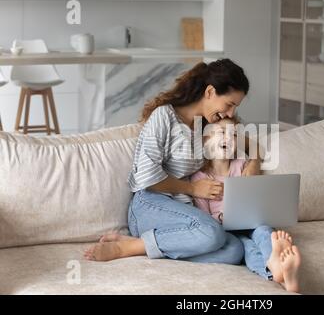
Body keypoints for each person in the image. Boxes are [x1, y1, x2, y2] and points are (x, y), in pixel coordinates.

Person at [84, 59, 254, 265]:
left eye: (235, 107)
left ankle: (157, 243)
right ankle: (128, 247)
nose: (230, 114)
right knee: (211, 232)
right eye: (229, 104)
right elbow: (147, 176)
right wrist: (192, 188)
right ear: (210, 92)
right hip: (151, 204)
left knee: (234, 250)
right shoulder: (164, 116)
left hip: (183, 213)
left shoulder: (208, 126)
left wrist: (254, 163)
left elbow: (251, 144)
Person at [190, 117, 301, 293]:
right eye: (222, 132)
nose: (228, 138)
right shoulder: (200, 178)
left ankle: (277, 264)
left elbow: (258, 195)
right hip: (225, 230)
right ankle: (281, 279)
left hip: (251, 222)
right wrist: (220, 217)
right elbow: (203, 218)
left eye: (234, 135)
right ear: (206, 140)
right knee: (246, 248)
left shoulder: (242, 165)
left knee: (266, 232)